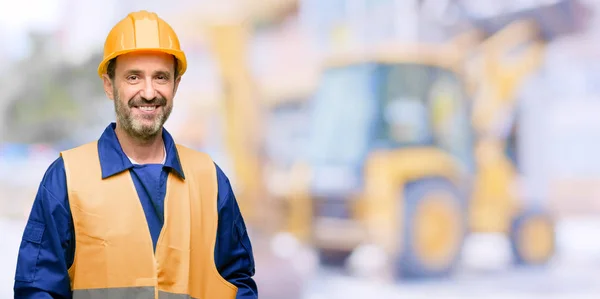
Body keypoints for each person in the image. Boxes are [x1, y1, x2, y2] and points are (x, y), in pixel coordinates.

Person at [13, 10, 258, 299]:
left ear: (176, 86)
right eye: (134, 77)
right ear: (109, 84)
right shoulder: (66, 179)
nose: (149, 92)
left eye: (161, 77)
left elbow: (237, 282)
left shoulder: (210, 179)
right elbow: (37, 289)